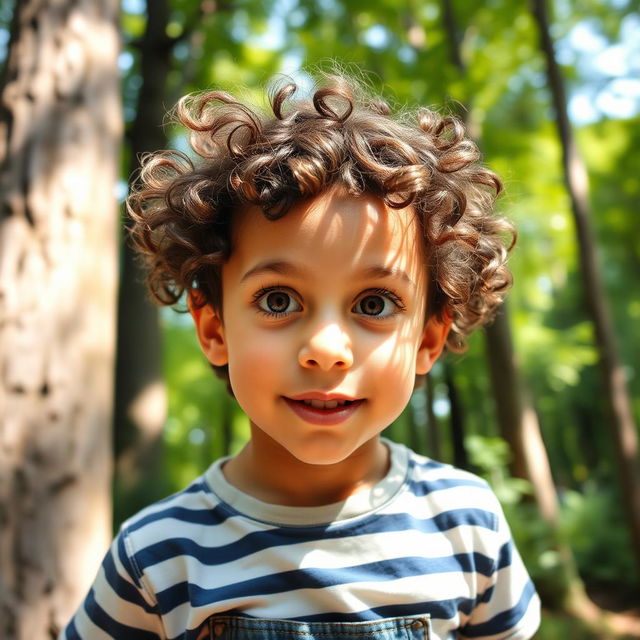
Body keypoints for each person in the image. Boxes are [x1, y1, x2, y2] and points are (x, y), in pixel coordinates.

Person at [61, 73, 540, 639]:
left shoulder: (466, 522)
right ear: (214, 329)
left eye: (375, 302)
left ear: (428, 340)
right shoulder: (155, 557)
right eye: (279, 300)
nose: (326, 351)